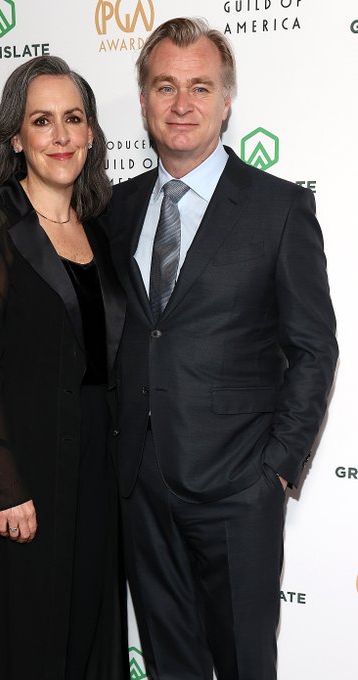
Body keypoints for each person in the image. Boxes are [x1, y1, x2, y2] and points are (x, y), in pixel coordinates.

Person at [106, 17, 338, 680]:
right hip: (140, 485)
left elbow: (313, 348)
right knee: (168, 665)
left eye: (200, 87)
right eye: (165, 86)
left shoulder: (278, 208)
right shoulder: (115, 208)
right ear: (145, 100)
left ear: (226, 101)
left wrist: (277, 471)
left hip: (239, 487)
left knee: (244, 665)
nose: (182, 103)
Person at [0, 55, 127, 680]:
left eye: (73, 119)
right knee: (25, 640)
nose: (61, 135)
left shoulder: (102, 229)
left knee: (88, 633)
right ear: (17, 138)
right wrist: (8, 487)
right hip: (21, 464)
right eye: (42, 121)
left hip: (96, 466)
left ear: (91, 133)